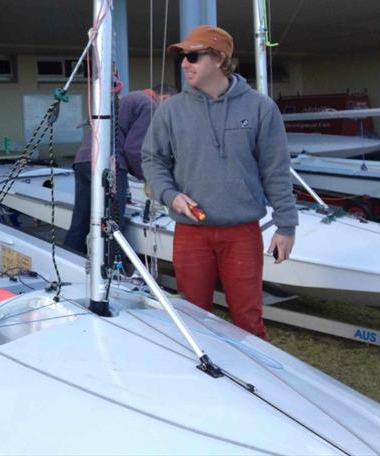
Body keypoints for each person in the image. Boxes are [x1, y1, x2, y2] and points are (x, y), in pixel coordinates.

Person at [141, 25, 297, 339]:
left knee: (248, 320)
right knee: (193, 317)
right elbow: (152, 160)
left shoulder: (260, 108)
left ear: (219, 59)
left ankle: (257, 382)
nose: (185, 63)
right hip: (190, 231)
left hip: (241, 232)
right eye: (183, 57)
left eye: (193, 56)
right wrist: (169, 195)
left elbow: (276, 170)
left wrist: (285, 225)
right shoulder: (170, 111)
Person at [64, 83, 177, 256]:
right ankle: (114, 270)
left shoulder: (129, 98)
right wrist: (149, 178)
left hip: (84, 160)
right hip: (109, 164)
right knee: (114, 223)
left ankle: (69, 260)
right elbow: (134, 149)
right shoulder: (149, 105)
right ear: (165, 98)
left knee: (81, 219)